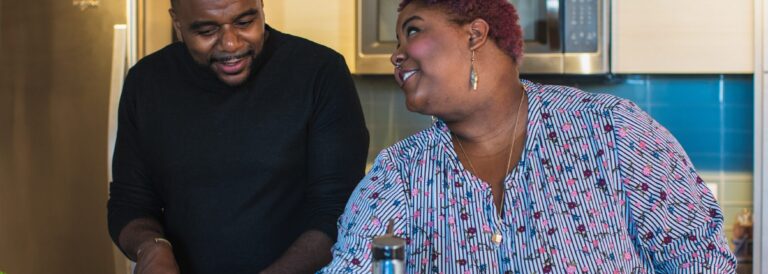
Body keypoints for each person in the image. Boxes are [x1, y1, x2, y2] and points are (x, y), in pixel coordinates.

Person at [321, 0, 736, 273]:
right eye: (395, 41)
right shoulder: (400, 174)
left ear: (474, 34)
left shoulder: (613, 133)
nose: (396, 53)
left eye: (412, 31)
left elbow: (702, 262)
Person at [106, 0, 369, 273]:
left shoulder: (319, 73)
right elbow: (130, 202)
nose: (230, 44)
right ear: (177, 22)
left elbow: (337, 212)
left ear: (261, 6)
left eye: (245, 23)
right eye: (207, 31)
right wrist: (152, 247)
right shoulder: (147, 82)